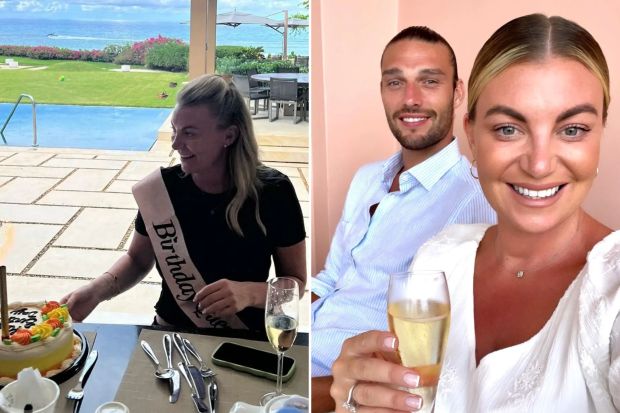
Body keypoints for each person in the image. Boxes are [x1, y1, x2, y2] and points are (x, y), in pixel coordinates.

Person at [330, 13, 620, 412]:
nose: (539, 165)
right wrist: (355, 397)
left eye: (572, 130)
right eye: (508, 129)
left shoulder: (613, 290)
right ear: (472, 133)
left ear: (600, 132)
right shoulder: (439, 256)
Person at [311, 26, 496, 411]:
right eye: (395, 82)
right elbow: (332, 278)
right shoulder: (367, 177)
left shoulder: (478, 201)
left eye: (429, 81)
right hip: (300, 350)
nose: (410, 99)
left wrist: (322, 393)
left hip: (347, 387)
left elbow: (445, 354)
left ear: (457, 92)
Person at [62, 74, 306, 332]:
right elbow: (137, 260)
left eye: (189, 133)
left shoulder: (274, 192)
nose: (176, 144)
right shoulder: (160, 190)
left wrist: (250, 293)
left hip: (246, 343)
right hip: (170, 334)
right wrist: (95, 291)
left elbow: (296, 283)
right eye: (175, 131)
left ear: (229, 136)